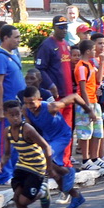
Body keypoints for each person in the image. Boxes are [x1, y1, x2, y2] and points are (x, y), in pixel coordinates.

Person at [22, 86, 90, 208]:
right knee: (53, 171)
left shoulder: (50, 107)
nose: (29, 106)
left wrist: (88, 109)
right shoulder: (26, 110)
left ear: (40, 99)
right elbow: (29, 127)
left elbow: (75, 96)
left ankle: (68, 172)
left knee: (45, 159)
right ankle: (76, 196)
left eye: (31, 103)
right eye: (26, 103)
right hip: (47, 139)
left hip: (62, 136)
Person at [0, 100, 53, 208]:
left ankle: (42, 191)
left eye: (18, 114)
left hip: (37, 166)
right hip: (23, 165)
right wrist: (2, 163)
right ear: (5, 115)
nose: (16, 118)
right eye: (12, 115)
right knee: (17, 197)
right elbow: (7, 154)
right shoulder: (7, 132)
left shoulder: (27, 129)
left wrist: (49, 169)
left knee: (24, 200)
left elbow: (46, 147)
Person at [36, 16, 75, 166]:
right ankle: (55, 162)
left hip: (68, 95)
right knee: (56, 132)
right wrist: (51, 85)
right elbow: (40, 68)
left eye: (65, 27)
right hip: (56, 98)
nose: (64, 30)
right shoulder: (47, 45)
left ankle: (65, 161)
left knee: (67, 131)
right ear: (54, 27)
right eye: (61, 27)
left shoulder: (65, 43)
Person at [0, 25, 26, 185]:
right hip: (6, 109)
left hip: (17, 108)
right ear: (5, 38)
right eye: (16, 37)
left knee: (16, 141)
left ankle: (15, 172)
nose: (19, 40)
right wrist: (0, 110)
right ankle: (4, 175)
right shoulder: (0, 56)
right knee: (4, 142)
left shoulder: (13, 54)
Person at [73, 40, 104, 169]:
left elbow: (98, 79)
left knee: (97, 131)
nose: (95, 51)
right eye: (93, 49)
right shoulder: (81, 67)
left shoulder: (90, 65)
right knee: (85, 131)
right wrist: (88, 107)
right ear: (87, 51)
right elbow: (83, 88)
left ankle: (95, 157)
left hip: (94, 101)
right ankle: (86, 160)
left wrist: (102, 62)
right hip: (85, 104)